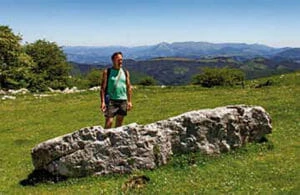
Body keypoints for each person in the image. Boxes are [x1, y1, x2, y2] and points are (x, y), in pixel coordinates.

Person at [100, 52, 132, 128]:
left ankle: (116, 138)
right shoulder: (107, 72)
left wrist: (129, 101)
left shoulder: (125, 72)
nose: (120, 62)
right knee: (109, 122)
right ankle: (106, 137)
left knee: (119, 122)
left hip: (123, 100)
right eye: (118, 60)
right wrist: (103, 102)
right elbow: (102, 88)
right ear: (113, 60)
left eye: (121, 60)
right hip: (111, 100)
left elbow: (129, 87)